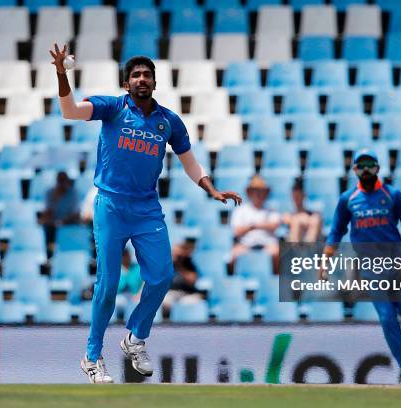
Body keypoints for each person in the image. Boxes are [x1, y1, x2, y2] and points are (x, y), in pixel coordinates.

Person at [49, 44, 242, 383]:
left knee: (162, 275)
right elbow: (70, 111)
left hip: (146, 209)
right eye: (136, 75)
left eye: (147, 75)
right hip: (110, 205)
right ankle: (92, 358)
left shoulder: (168, 121)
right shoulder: (112, 107)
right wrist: (62, 73)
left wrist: (211, 188)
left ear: (154, 83)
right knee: (107, 284)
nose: (142, 79)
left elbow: (190, 161)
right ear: (127, 84)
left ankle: (135, 337)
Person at [323, 149, 401, 385]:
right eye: (361, 166)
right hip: (371, 268)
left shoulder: (393, 195)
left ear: (378, 168)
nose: (366, 170)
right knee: (387, 319)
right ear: (355, 170)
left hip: (398, 264)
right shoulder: (348, 199)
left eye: (370, 165)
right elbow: (336, 230)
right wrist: (326, 257)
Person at [230, 175, 281, 272]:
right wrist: (259, 225)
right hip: (246, 245)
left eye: (261, 191)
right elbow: (236, 231)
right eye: (256, 191)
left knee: (277, 252)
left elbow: (274, 225)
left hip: (267, 245)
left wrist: (253, 226)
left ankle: (275, 279)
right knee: (234, 254)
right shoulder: (240, 210)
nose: (258, 194)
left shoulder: (272, 209)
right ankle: (235, 282)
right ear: (250, 192)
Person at [41, 171, 81, 246]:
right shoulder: (49, 193)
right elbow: (47, 212)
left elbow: (75, 214)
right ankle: (49, 252)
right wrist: (55, 198)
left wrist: (61, 222)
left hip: (69, 223)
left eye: (63, 180)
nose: (61, 183)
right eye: (60, 180)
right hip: (53, 224)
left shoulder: (74, 193)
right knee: (46, 227)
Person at [282, 178, 322, 243]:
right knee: (296, 222)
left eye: (299, 195)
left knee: (315, 221)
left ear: (304, 195)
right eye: (295, 195)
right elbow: (286, 219)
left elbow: (317, 219)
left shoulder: (313, 214)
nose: (297, 198)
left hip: (309, 244)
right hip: (293, 245)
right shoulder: (288, 213)